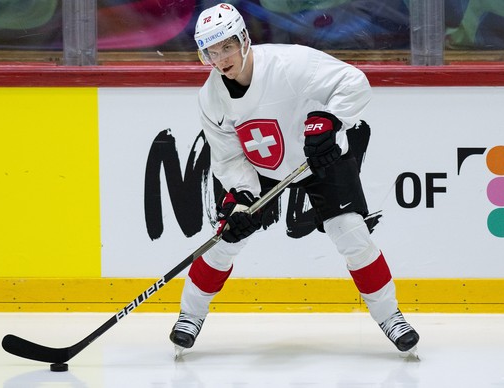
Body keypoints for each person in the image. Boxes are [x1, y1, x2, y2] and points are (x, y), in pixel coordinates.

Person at [169, 2, 419, 356]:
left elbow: (354, 82)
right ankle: (189, 316)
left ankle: (391, 317)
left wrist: (329, 119)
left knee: (351, 234)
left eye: (226, 46)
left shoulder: (290, 64)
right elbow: (228, 157)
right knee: (226, 238)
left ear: (243, 39)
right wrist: (241, 198)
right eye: (211, 50)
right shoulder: (210, 99)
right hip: (263, 170)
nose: (220, 57)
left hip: (319, 158)